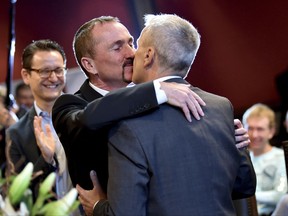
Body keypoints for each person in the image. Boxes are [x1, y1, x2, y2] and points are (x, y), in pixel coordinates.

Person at [77, 14, 256, 216]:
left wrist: (97, 207)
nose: (132, 54)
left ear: (148, 56)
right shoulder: (221, 107)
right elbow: (244, 185)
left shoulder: (128, 125)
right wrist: (240, 148)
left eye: (137, 45)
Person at [52, 16, 209, 194]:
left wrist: (218, 135)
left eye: (130, 43)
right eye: (118, 47)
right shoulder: (69, 105)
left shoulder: (157, 94)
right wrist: (154, 90)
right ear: (90, 65)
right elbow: (86, 121)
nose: (131, 53)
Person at [5, 39, 73, 201]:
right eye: (44, 71)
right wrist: (46, 160)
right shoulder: (16, 134)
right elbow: (17, 194)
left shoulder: (86, 113)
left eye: (58, 70)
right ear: (26, 76)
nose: (53, 78)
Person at [243, 103, 287, 215]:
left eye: (260, 129)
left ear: (271, 131)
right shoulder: (240, 159)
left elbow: (280, 196)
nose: (254, 135)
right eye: (250, 128)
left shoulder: (281, 157)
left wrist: (249, 197)